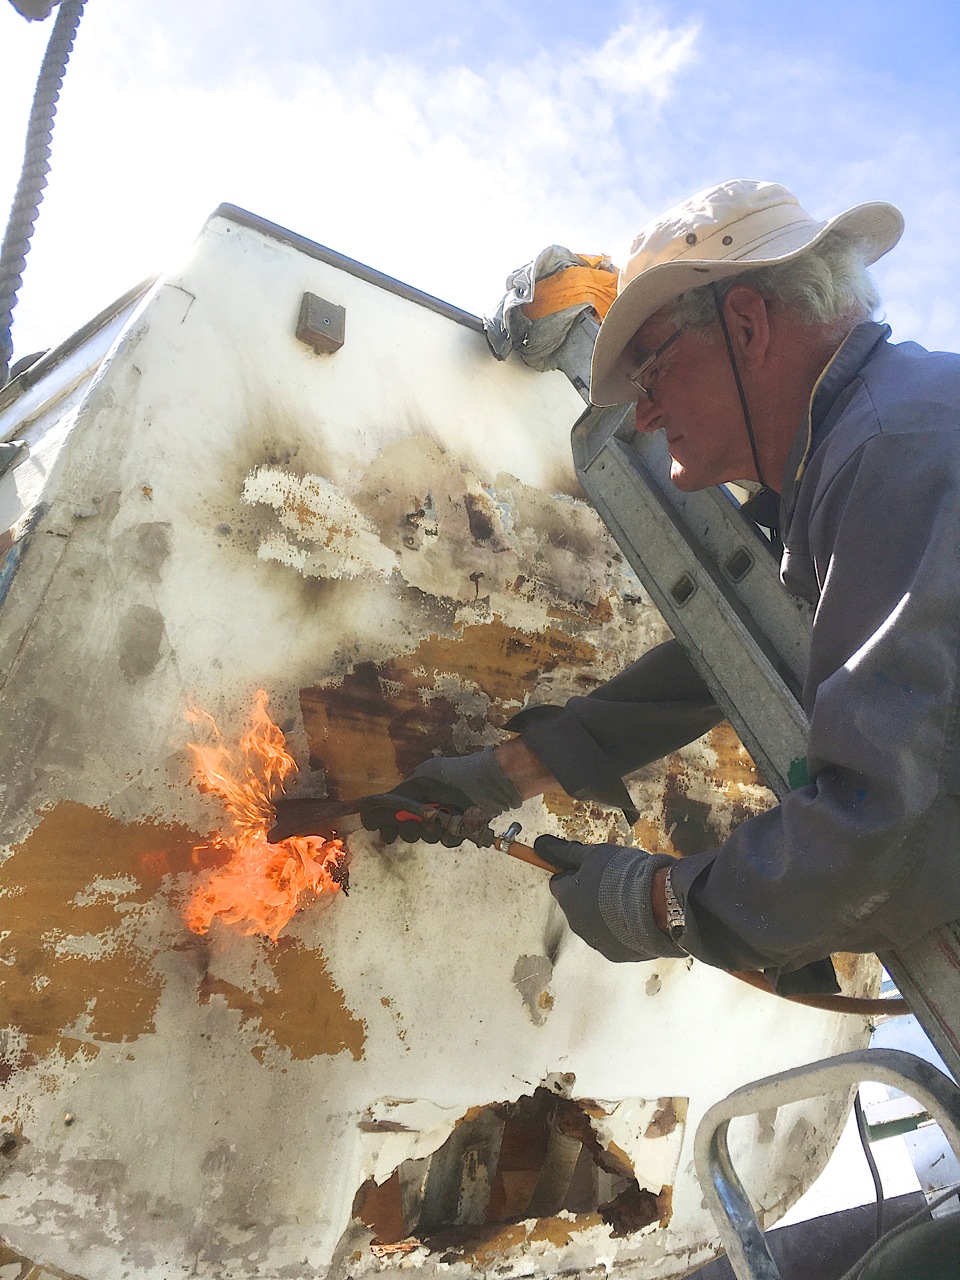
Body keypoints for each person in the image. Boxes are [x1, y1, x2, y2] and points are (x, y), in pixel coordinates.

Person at [275, 178, 960, 995]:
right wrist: (509, 771)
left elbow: (890, 832)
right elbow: (739, 647)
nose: (641, 416)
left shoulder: (893, 456)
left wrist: (664, 903)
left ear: (747, 325)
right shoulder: (872, 446)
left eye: (653, 373)